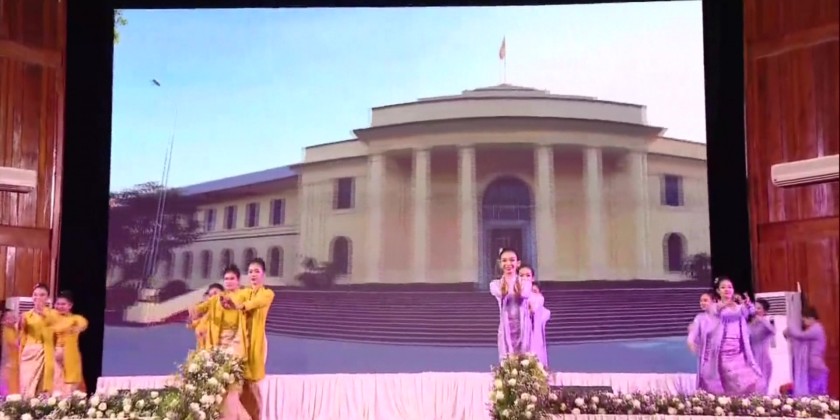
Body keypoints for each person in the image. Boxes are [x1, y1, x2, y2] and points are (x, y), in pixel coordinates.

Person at [189, 265, 250, 420]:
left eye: (232, 278)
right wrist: (193, 310)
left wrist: (231, 302)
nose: (229, 281)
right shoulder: (217, 298)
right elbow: (200, 308)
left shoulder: (243, 295)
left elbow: (241, 305)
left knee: (232, 389)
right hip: (218, 348)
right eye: (226, 279)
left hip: (235, 346)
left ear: (238, 280)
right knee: (220, 390)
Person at [698, 277, 763, 395]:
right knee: (729, 381)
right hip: (723, 350)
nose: (727, 289)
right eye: (723, 287)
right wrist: (729, 303)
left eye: (729, 287)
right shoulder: (715, 306)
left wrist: (747, 303)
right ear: (718, 291)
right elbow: (716, 313)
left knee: (747, 379)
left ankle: (742, 402)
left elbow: (750, 312)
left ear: (733, 290)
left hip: (739, 349)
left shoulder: (738, 307)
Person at [232, 258, 275, 420]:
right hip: (241, 343)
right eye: (250, 271)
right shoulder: (244, 293)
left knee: (253, 383)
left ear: (263, 274)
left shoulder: (267, 294)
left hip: (257, 343)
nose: (253, 274)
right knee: (239, 383)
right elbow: (234, 298)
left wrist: (242, 305)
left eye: (257, 271)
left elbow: (255, 302)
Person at [489, 248, 532, 361]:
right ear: (500, 264)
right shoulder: (495, 284)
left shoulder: (525, 283)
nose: (508, 264)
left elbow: (524, 294)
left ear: (518, 263)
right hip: (506, 327)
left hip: (522, 327)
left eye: (512, 260)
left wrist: (514, 284)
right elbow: (500, 293)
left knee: (525, 359)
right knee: (507, 358)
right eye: (504, 260)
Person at [18, 283, 59, 397]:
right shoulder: (26, 315)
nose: (38, 297)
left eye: (42, 294)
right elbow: (22, 337)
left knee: (43, 387)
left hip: (47, 352)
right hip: (30, 353)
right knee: (27, 384)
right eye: (35, 294)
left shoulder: (54, 314)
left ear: (47, 297)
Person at [51, 291, 89, 395]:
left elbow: (83, 324)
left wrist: (77, 328)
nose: (60, 306)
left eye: (63, 304)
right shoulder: (52, 318)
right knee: (55, 381)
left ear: (70, 305)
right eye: (58, 304)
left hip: (70, 354)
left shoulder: (76, 319)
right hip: (54, 353)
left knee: (71, 383)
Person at [785, 306, 828, 396]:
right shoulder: (815, 328)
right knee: (815, 394)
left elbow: (800, 336)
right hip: (814, 364)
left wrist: (790, 328)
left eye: (804, 319)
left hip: (815, 365)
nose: (803, 322)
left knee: (816, 394)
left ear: (811, 318)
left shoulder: (816, 328)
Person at [687, 291, 719, 392]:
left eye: (705, 300)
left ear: (714, 301)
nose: (702, 303)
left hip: (721, 355)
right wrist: (690, 342)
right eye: (701, 301)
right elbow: (693, 333)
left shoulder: (722, 316)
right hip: (706, 356)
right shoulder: (699, 318)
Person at [520, 266, 550, 367]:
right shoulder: (513, 295)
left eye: (528, 275)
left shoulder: (538, 297)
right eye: (521, 275)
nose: (524, 278)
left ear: (532, 278)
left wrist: (530, 308)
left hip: (532, 333)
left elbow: (535, 310)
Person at [748, 298, 776, 395]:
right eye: (755, 307)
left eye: (759, 308)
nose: (756, 310)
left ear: (765, 311)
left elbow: (773, 331)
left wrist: (761, 319)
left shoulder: (765, 324)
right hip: (751, 359)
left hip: (763, 359)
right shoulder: (749, 324)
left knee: (761, 387)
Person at [189, 283, 223, 351]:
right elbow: (193, 323)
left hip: (220, 348)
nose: (213, 297)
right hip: (204, 349)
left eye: (215, 293)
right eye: (210, 295)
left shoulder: (227, 309)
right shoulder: (205, 313)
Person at [1, 303, 19, 397]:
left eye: (14, 316)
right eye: (10, 317)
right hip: (9, 363)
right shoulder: (6, 330)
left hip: (15, 362)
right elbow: (15, 344)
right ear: (3, 321)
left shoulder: (14, 329)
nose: (13, 319)